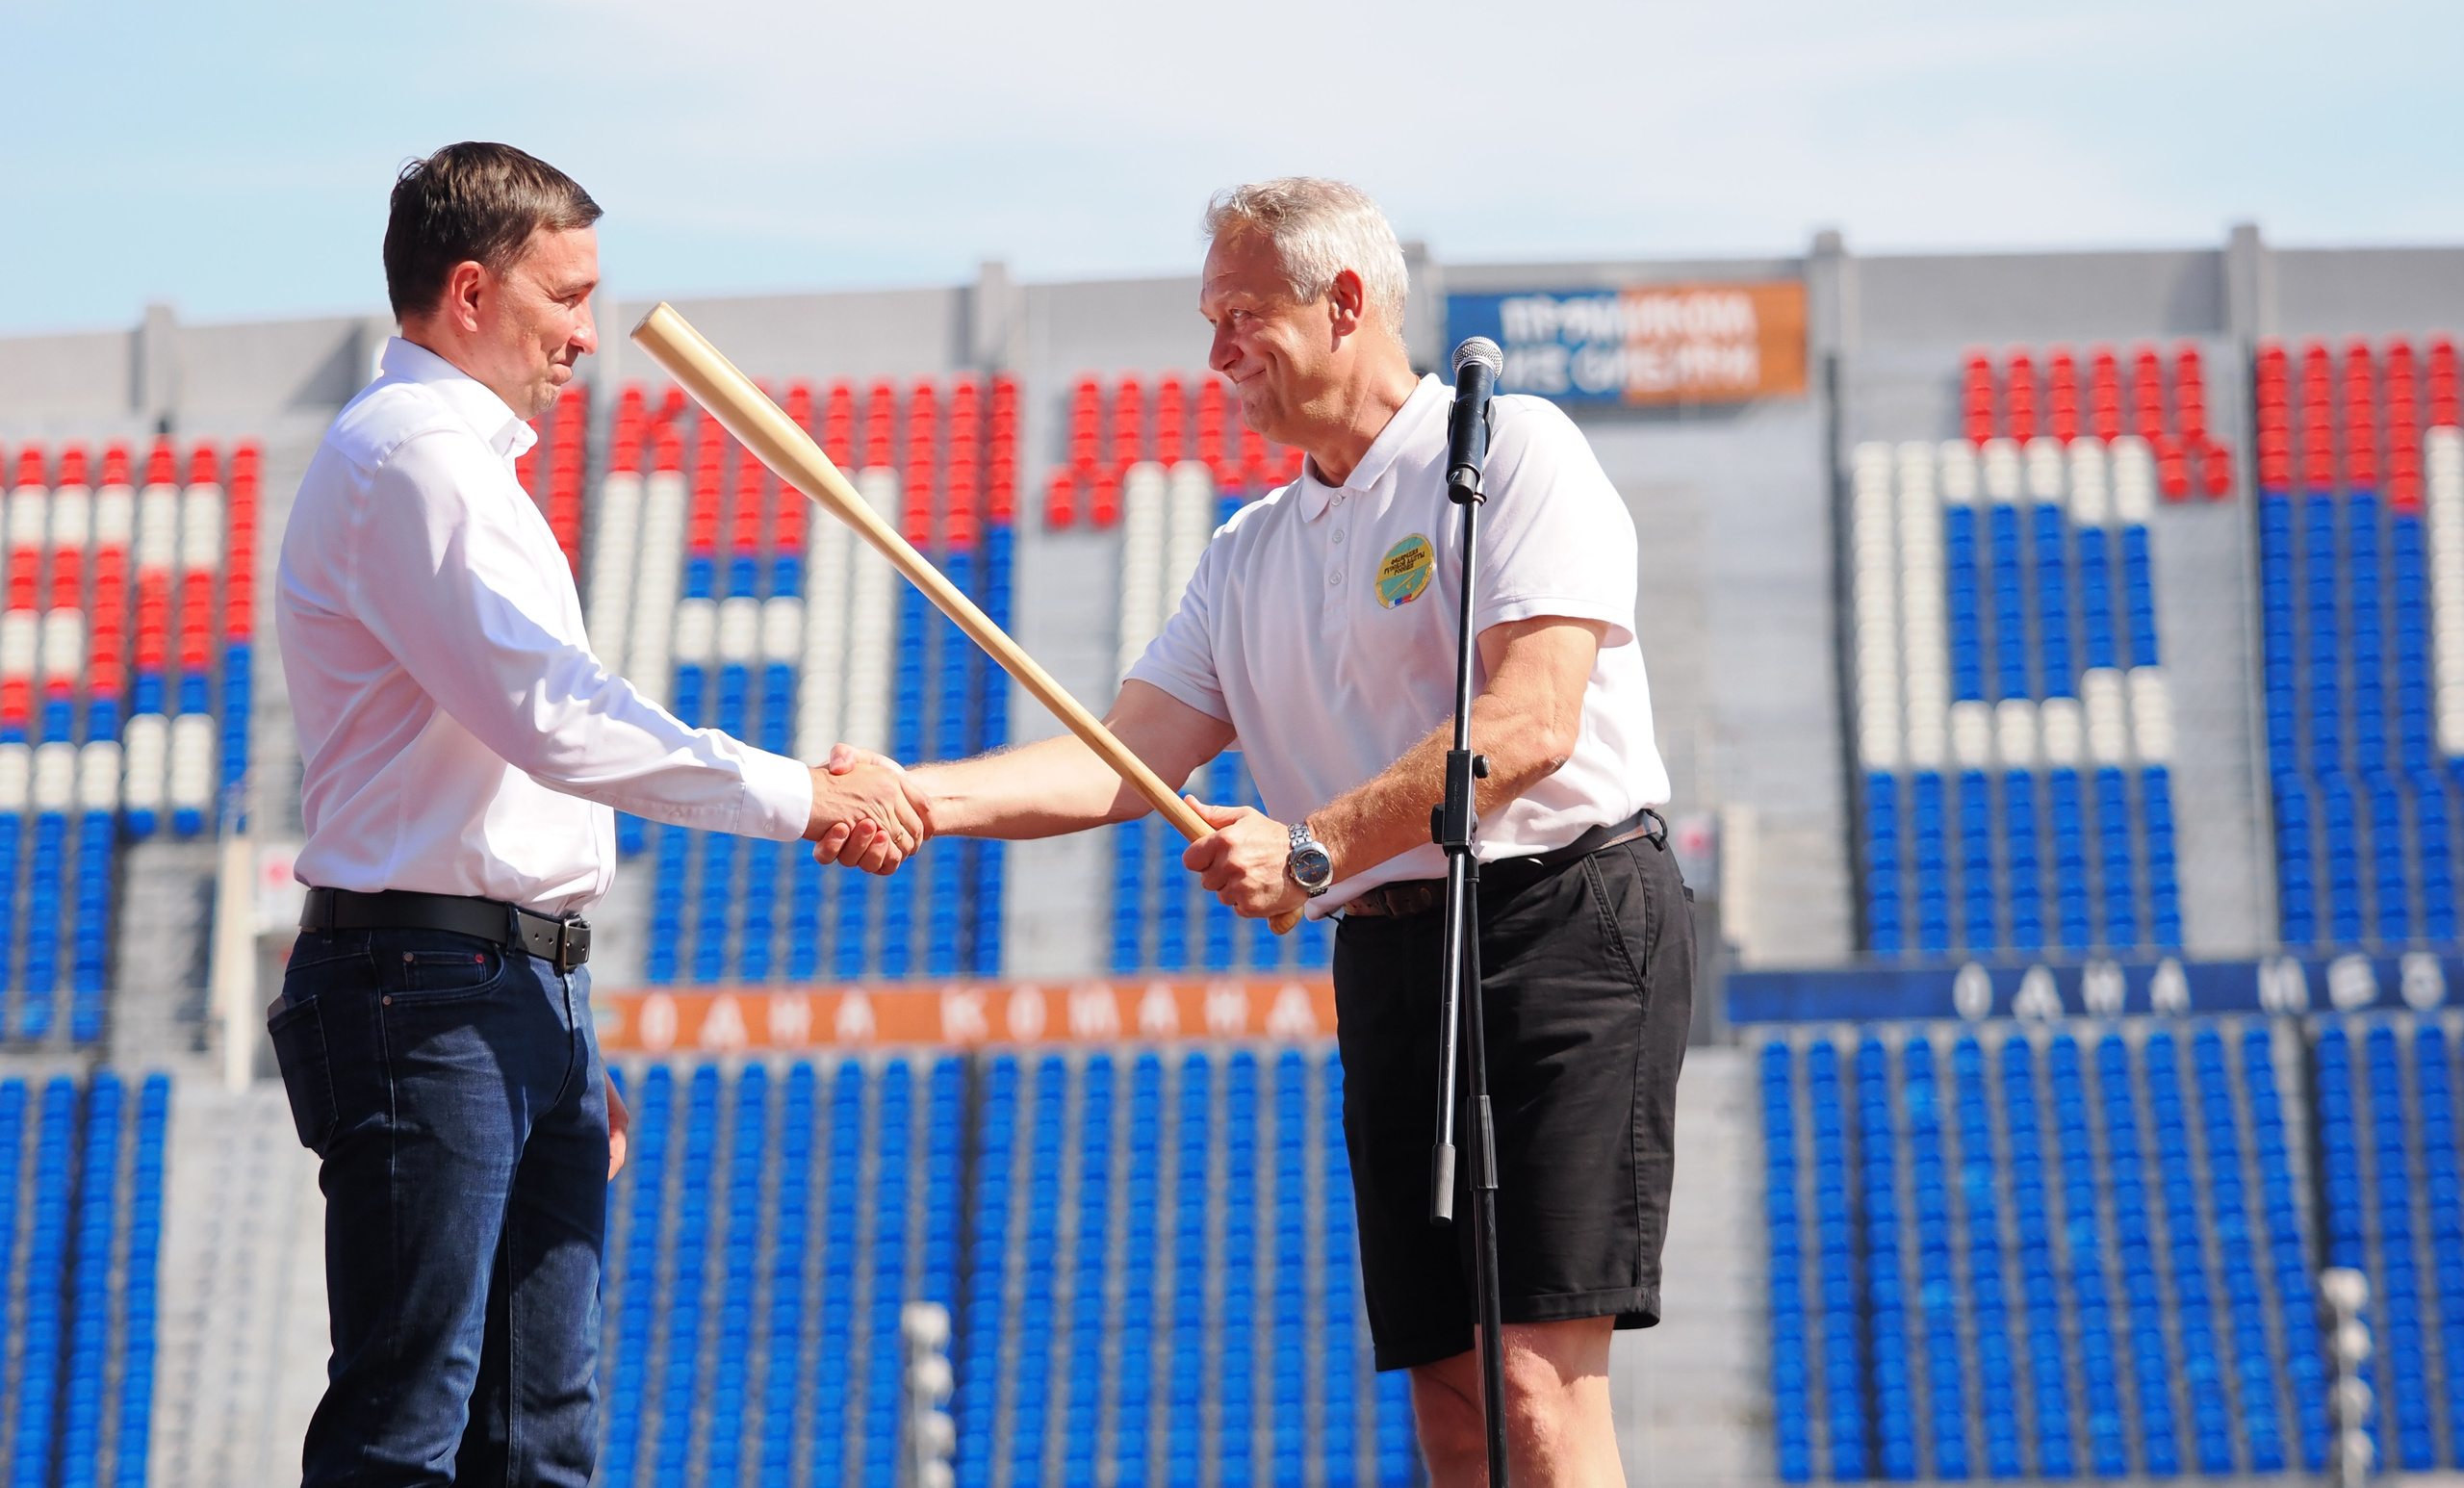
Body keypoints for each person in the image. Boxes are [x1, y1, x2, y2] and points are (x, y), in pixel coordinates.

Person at [860, 177, 1692, 1487]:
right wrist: (919, 797)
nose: (1218, 355)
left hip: (1557, 923)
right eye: (1211, 321)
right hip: (1391, 948)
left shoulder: (1511, 453)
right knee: (1453, 1397)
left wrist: (1314, 849)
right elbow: (1122, 760)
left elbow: (1530, 722)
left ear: (1345, 301)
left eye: (1242, 315)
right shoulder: (1246, 552)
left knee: (1535, 1379)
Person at [270, 141, 928, 1486]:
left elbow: (526, 745)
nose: (588, 332)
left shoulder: (463, 469)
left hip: (501, 985)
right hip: (430, 984)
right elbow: (554, 716)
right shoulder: (416, 460)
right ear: (470, 291)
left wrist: (554, 1024)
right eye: (567, 296)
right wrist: (806, 798)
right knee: (411, 1423)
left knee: (536, 1431)